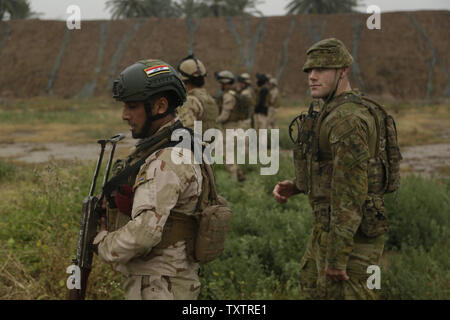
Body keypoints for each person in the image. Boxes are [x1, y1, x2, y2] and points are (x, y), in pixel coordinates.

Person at [272, 38, 401, 300]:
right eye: (309, 70)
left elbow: (351, 194)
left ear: (343, 71)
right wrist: (298, 185)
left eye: (321, 69)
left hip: (351, 238)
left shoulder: (348, 121)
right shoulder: (333, 111)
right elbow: (338, 171)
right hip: (329, 228)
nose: (312, 76)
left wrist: (338, 257)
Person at [93, 59, 204, 300]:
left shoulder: (167, 159)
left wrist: (103, 243)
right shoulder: (177, 143)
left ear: (160, 105)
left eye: (132, 106)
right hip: (164, 280)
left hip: (159, 286)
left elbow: (144, 234)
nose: (124, 115)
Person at [215, 70, 245, 182]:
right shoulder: (234, 93)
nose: (219, 85)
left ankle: (234, 181)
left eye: (220, 82)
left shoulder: (228, 96)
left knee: (226, 155)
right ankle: (240, 175)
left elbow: (225, 115)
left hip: (230, 128)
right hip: (234, 127)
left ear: (225, 83)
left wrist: (214, 120)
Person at [176, 54, 219, 134]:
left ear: (184, 81)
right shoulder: (209, 98)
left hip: (196, 145)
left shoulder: (189, 101)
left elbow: (188, 130)